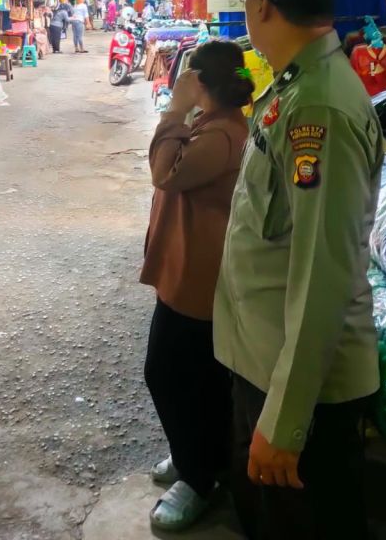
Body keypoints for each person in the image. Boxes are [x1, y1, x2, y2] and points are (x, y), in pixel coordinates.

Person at [214, 0, 384, 540]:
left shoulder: (320, 109)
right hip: (269, 363)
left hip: (305, 391)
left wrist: (285, 422)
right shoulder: (296, 86)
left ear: (261, 6)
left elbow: (323, 277)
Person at [142, 42, 253, 531]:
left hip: (200, 281)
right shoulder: (212, 125)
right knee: (191, 377)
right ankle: (196, 456)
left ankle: (200, 477)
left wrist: (174, 110)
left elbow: (164, 173)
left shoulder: (222, 134)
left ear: (201, 82)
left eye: (188, 74)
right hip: (187, 275)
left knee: (171, 375)